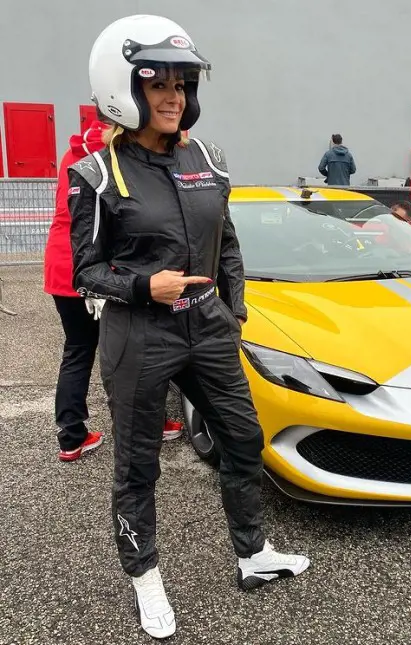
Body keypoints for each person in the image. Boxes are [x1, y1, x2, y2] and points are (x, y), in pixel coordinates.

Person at [69, 15, 309, 639]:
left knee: (244, 438)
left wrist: (234, 310)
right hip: (138, 334)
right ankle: (146, 579)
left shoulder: (208, 157)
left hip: (207, 328)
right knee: (137, 466)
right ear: (126, 90)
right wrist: (144, 286)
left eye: (182, 83)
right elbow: (85, 270)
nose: (174, 96)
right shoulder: (97, 173)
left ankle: (253, 554)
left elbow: (225, 239)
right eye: (158, 84)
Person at [43, 111, 184, 463]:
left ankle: (71, 436)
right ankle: (153, 424)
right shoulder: (120, 155)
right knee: (133, 351)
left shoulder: (73, 153)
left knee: (77, 351)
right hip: (106, 268)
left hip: (62, 266)